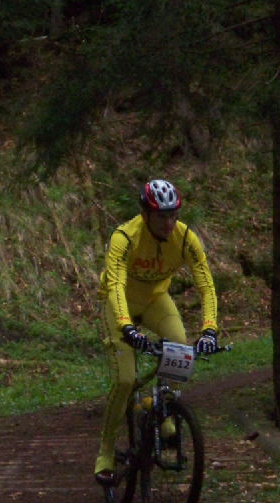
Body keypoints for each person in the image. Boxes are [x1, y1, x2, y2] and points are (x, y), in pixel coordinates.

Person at [94, 179, 219, 485]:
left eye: (174, 214)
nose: (169, 222)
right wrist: (126, 326)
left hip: (154, 299)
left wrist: (210, 330)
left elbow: (206, 285)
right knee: (125, 380)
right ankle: (106, 451)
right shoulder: (125, 237)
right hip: (118, 301)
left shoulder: (186, 237)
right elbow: (116, 285)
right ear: (146, 214)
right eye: (162, 216)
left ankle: (159, 404)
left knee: (180, 347)